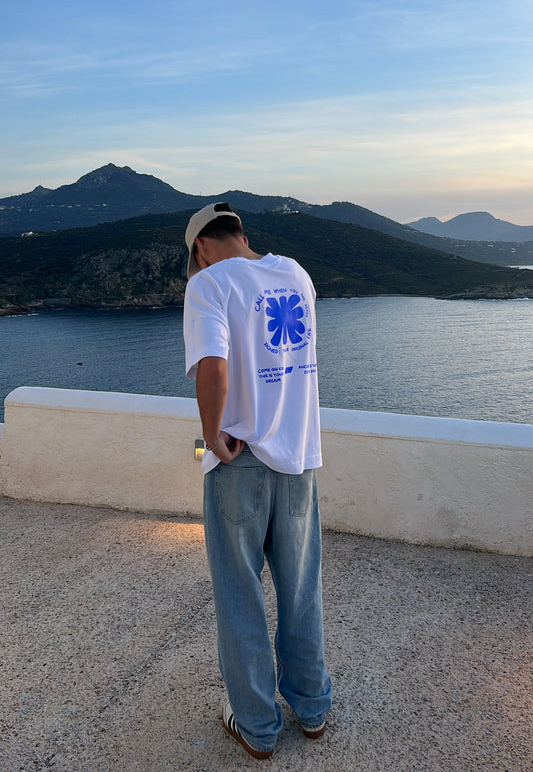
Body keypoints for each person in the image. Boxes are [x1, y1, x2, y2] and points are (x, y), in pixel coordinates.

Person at [183, 202, 332, 760]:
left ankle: (257, 727)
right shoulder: (296, 274)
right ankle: (312, 708)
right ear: (241, 234)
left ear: (201, 247)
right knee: (301, 587)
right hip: (299, 458)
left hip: (238, 460)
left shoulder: (209, 284)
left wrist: (210, 438)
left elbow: (214, 368)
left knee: (239, 594)